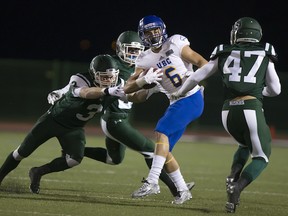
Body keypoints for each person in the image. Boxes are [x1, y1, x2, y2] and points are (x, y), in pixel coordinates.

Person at [49, 31, 195, 198]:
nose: (135, 54)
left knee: (114, 159)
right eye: (131, 50)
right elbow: (85, 78)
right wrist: (61, 91)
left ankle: (76, 150)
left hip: (123, 118)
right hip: (113, 119)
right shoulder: (111, 63)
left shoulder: (142, 64)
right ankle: (176, 189)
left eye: (138, 50)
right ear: (120, 49)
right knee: (150, 150)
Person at [171, 17, 281, 212]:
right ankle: (237, 186)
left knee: (244, 145)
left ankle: (232, 176)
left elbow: (197, 75)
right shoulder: (265, 52)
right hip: (250, 108)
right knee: (262, 156)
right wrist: (259, 92)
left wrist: (179, 93)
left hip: (227, 112)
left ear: (238, 33)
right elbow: (276, 89)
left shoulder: (223, 52)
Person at [0, 54, 126, 193]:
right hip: (53, 121)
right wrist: (106, 91)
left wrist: (148, 85)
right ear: (94, 74)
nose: (109, 80)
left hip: (74, 128)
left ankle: (38, 172)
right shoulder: (80, 79)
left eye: (111, 76)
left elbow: (134, 94)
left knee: (74, 159)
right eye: (104, 77)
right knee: (21, 152)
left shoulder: (118, 85)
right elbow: (85, 92)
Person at [123, 15, 208, 204]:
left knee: (161, 131)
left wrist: (193, 80)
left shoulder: (176, 43)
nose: (153, 35)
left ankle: (153, 181)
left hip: (190, 97)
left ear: (162, 29)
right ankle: (183, 190)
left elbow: (202, 62)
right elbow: (128, 88)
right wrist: (144, 81)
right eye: (148, 32)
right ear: (142, 35)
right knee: (164, 149)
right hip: (176, 102)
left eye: (156, 30)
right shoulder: (144, 58)